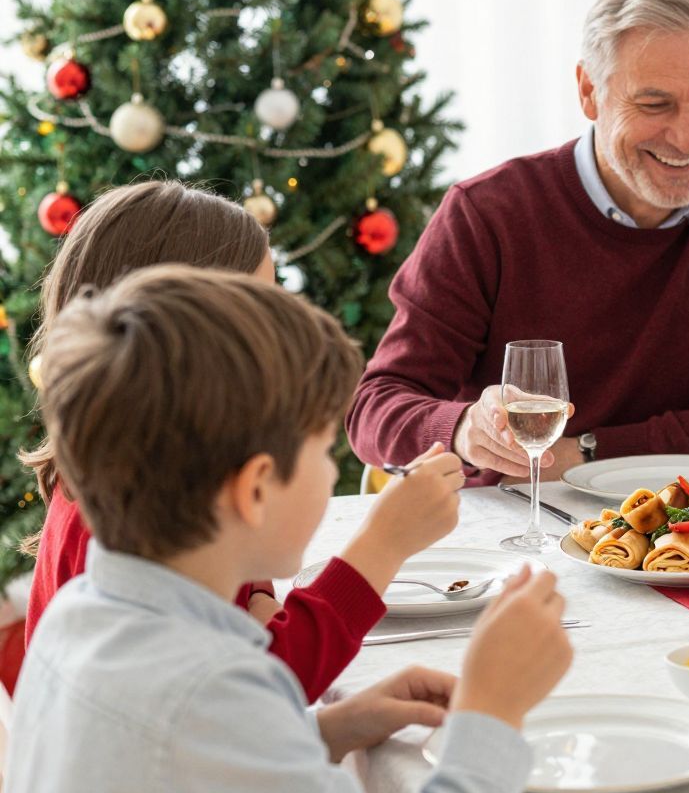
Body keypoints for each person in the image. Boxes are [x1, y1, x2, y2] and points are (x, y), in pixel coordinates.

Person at [0, 266, 574, 793]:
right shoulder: (208, 692)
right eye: (324, 452)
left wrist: (321, 731)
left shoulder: (83, 612)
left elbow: (165, 769)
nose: (333, 475)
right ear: (255, 490)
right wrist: (490, 713)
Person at [349, 0, 689, 482]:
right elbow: (375, 408)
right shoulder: (488, 214)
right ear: (588, 92)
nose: (687, 137)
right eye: (655, 104)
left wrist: (589, 454)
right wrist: (464, 427)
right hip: (519, 516)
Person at [21, 181, 455, 701]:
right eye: (261, 312)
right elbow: (259, 691)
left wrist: (259, 599)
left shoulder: (139, 476)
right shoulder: (127, 528)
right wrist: (383, 545)